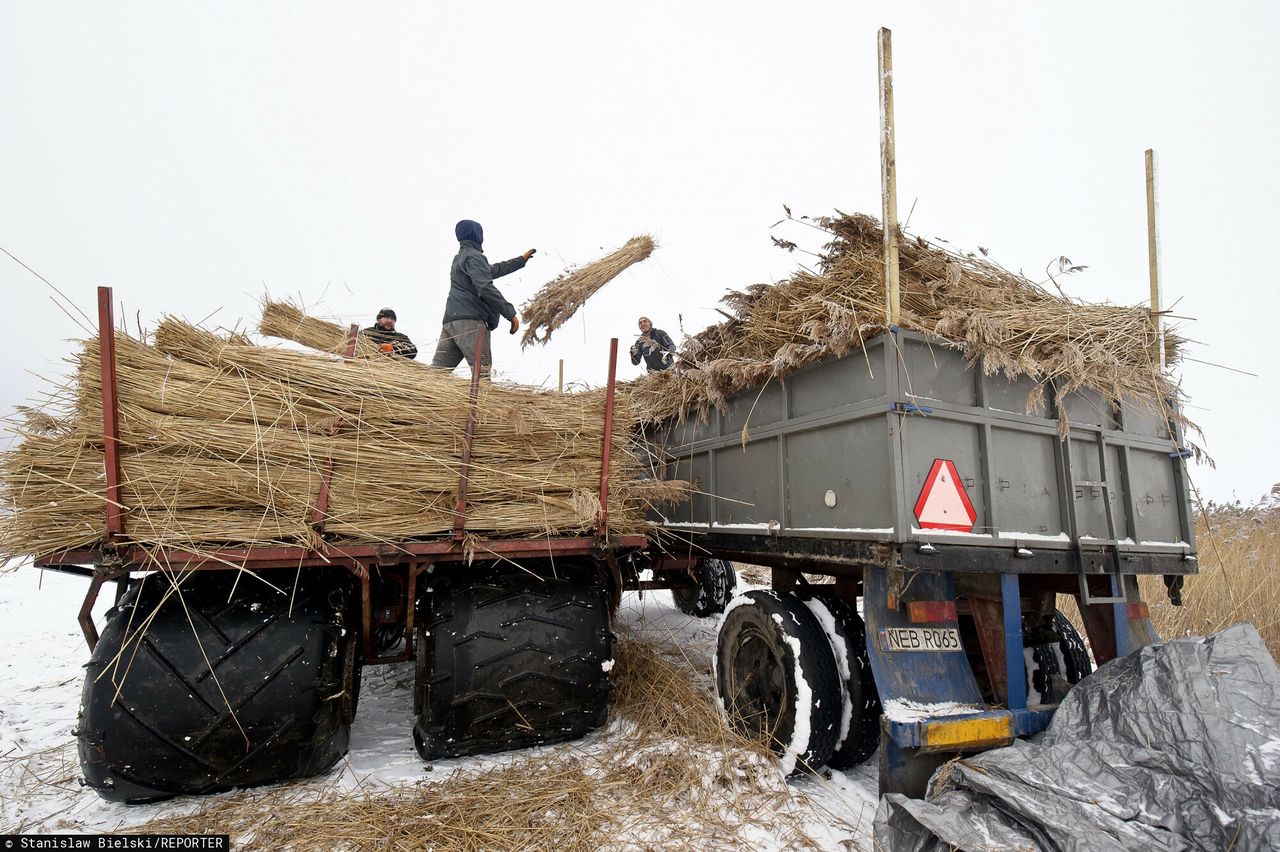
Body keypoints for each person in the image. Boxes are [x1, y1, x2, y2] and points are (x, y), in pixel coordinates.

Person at [430, 219, 534, 375]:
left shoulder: (460, 257)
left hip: (451, 322)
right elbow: (485, 287)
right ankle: (482, 400)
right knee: (481, 374)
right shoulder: (474, 256)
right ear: (477, 235)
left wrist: (520, 261)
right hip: (471, 322)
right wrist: (510, 313)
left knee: (436, 374)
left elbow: (491, 271)